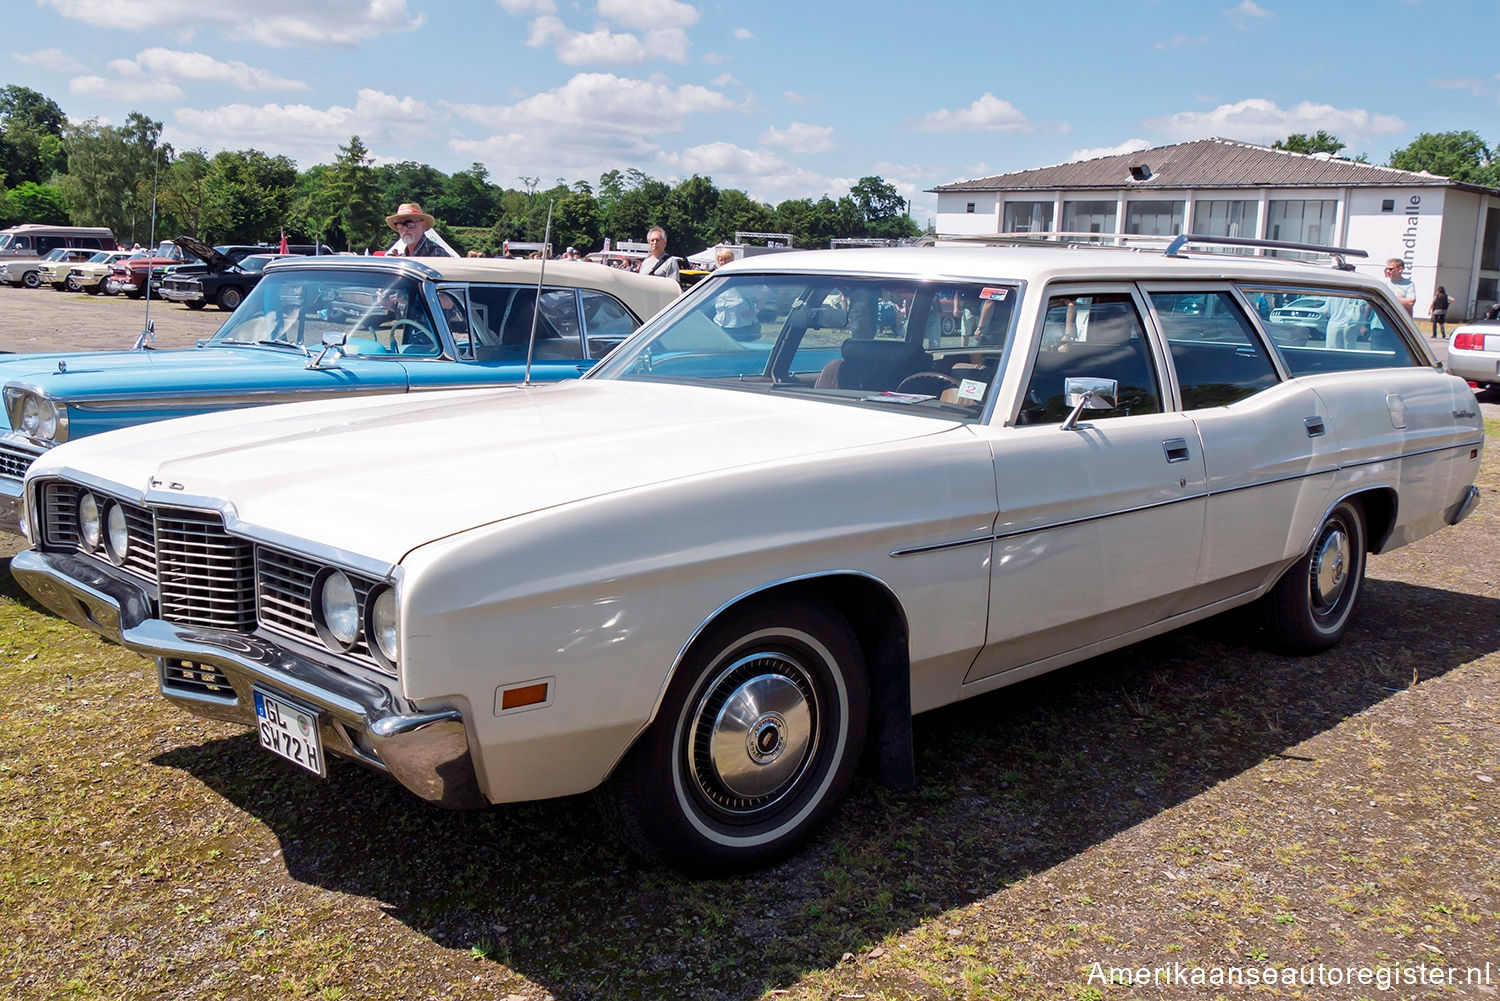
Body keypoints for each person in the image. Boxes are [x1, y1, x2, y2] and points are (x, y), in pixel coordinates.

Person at [385, 202, 454, 258]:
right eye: (400, 224)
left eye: (410, 224)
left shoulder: (436, 253)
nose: (405, 229)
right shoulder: (404, 255)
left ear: (423, 225)